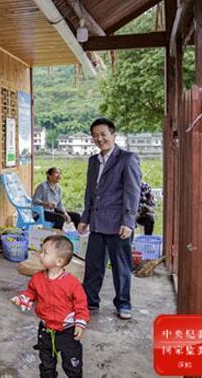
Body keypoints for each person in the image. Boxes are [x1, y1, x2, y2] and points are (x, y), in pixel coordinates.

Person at [77, 118, 141, 320]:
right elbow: (90, 192)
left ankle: (123, 303)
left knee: (121, 267)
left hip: (118, 224)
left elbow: (132, 192)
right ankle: (90, 301)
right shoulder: (93, 161)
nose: (99, 139)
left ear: (114, 135)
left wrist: (129, 222)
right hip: (97, 223)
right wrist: (85, 217)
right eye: (95, 135)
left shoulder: (127, 158)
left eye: (103, 134)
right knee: (93, 265)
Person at [10, 235, 88, 378]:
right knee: (46, 365)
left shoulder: (72, 283)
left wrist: (80, 323)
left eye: (45, 253)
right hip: (46, 330)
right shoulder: (37, 278)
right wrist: (22, 298)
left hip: (67, 332)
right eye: (41, 251)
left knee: (72, 366)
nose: (40, 255)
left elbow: (81, 304)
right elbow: (31, 293)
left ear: (59, 261)